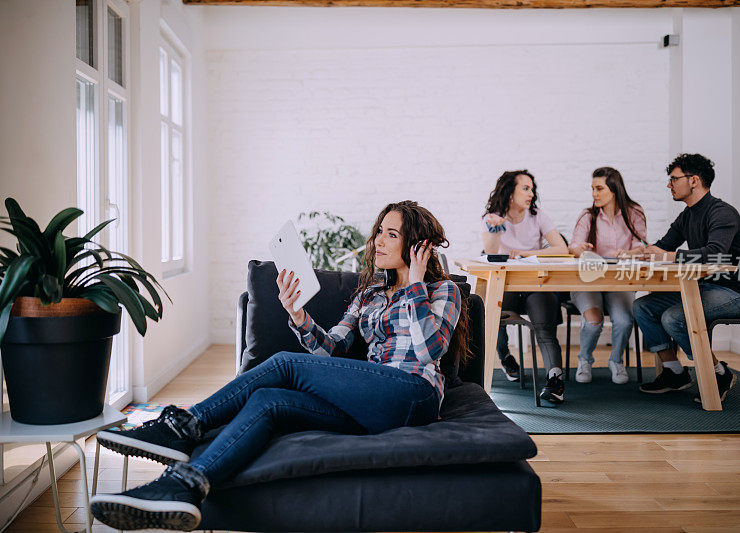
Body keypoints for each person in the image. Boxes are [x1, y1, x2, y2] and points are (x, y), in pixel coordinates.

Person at [90, 201, 467, 531]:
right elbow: (330, 353)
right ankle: (187, 484)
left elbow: (427, 351)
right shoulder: (368, 294)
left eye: (391, 234)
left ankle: (183, 425)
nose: (378, 242)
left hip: (412, 396)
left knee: (286, 363)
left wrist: (416, 283)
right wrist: (299, 315)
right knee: (269, 400)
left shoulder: (442, 291)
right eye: (378, 232)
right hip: (370, 403)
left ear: (418, 245)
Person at [624, 153, 740, 402]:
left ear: (694, 180)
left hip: (736, 292)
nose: (668, 184)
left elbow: (714, 255)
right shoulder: (687, 215)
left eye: (673, 179)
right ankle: (675, 372)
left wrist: (669, 256)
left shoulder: (723, 213)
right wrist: (643, 252)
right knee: (643, 306)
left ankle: (718, 373)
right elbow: (664, 246)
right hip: (704, 287)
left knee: (674, 317)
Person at [481, 170, 569, 404]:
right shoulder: (493, 218)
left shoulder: (538, 216)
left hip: (535, 286)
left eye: (532, 188)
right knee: (493, 309)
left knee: (544, 327)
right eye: (525, 188)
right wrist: (496, 229)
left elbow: (562, 249)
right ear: (510, 192)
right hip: (507, 287)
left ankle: (555, 382)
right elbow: (490, 253)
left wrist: (527, 254)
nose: (531, 193)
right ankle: (505, 357)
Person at [568, 167, 647, 385]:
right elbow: (573, 247)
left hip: (618, 281)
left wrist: (629, 253)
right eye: (592, 188)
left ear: (614, 189)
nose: (594, 193)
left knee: (623, 321)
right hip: (588, 281)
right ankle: (585, 359)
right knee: (593, 322)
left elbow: (641, 247)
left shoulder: (634, 213)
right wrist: (580, 249)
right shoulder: (587, 215)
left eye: (599, 188)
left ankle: (616, 360)